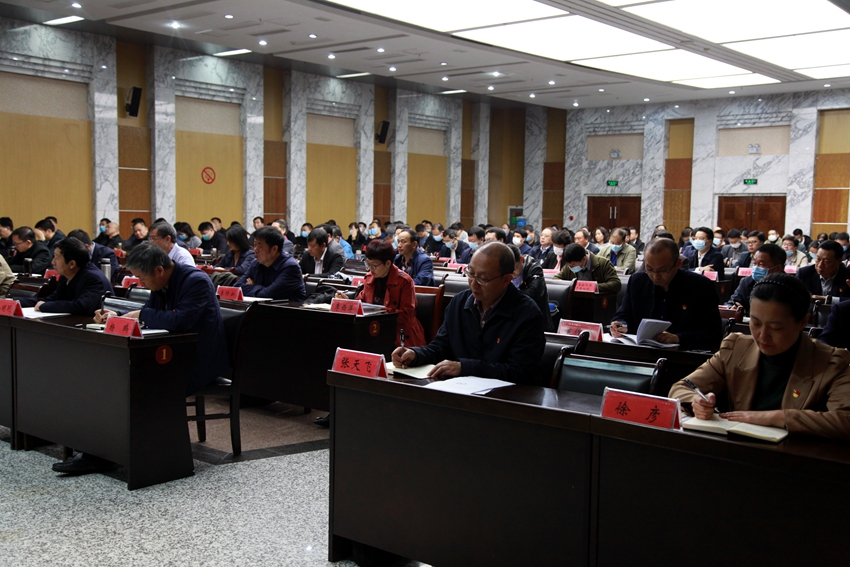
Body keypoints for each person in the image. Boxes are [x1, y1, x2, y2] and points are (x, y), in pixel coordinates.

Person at [670, 274, 850, 440]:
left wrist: (778, 417)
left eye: (776, 328)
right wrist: (697, 402)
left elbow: (845, 420)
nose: (763, 336)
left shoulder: (831, 362)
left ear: (802, 322)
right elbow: (682, 387)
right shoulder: (736, 348)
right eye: (755, 323)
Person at [391, 242, 546, 384]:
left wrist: (465, 367)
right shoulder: (460, 302)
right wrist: (415, 354)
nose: (474, 284)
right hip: (458, 390)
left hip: (505, 398)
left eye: (483, 279)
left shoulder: (527, 314)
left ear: (506, 280)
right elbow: (440, 347)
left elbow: (520, 372)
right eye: (470, 274)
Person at [611, 238, 722, 351]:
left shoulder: (701, 286)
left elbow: (713, 333)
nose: (656, 276)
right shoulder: (638, 281)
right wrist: (621, 324)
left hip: (683, 354)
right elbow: (624, 314)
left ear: (678, 264)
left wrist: (678, 338)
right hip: (640, 351)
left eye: (663, 270)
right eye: (649, 269)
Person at [340, 239, 425, 348]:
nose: (370, 269)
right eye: (368, 264)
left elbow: (407, 316)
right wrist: (348, 303)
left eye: (374, 265)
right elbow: (361, 302)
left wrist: (380, 312)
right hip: (373, 331)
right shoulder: (370, 278)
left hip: (399, 335)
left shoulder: (404, 282)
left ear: (388, 263)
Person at [18, 237, 112, 315]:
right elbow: (52, 299)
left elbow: (80, 306)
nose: (53, 262)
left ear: (72, 264)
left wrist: (44, 306)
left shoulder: (94, 278)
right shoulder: (66, 275)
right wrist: (16, 302)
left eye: (56, 257)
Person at [235, 226, 305, 301]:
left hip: (286, 308)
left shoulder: (290, 267)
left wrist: (253, 286)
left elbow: (266, 295)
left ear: (274, 249)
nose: (255, 250)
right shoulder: (256, 263)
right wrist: (260, 288)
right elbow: (236, 288)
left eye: (259, 246)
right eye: (254, 245)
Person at [725, 244, 785, 315]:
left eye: (761, 264)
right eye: (754, 263)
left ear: (778, 268)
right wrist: (733, 308)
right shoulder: (747, 282)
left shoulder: (789, 286)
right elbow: (730, 303)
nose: (756, 267)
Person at [507, 243, 552, 332]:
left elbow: (533, 293)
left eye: (514, 269)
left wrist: (508, 295)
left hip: (534, 318)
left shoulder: (534, 269)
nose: (512, 274)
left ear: (521, 259)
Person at [553, 243, 621, 293]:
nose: (571, 267)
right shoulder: (569, 266)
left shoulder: (603, 263)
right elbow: (556, 279)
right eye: (568, 265)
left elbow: (616, 284)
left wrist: (593, 287)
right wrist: (570, 285)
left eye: (573, 265)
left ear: (584, 259)